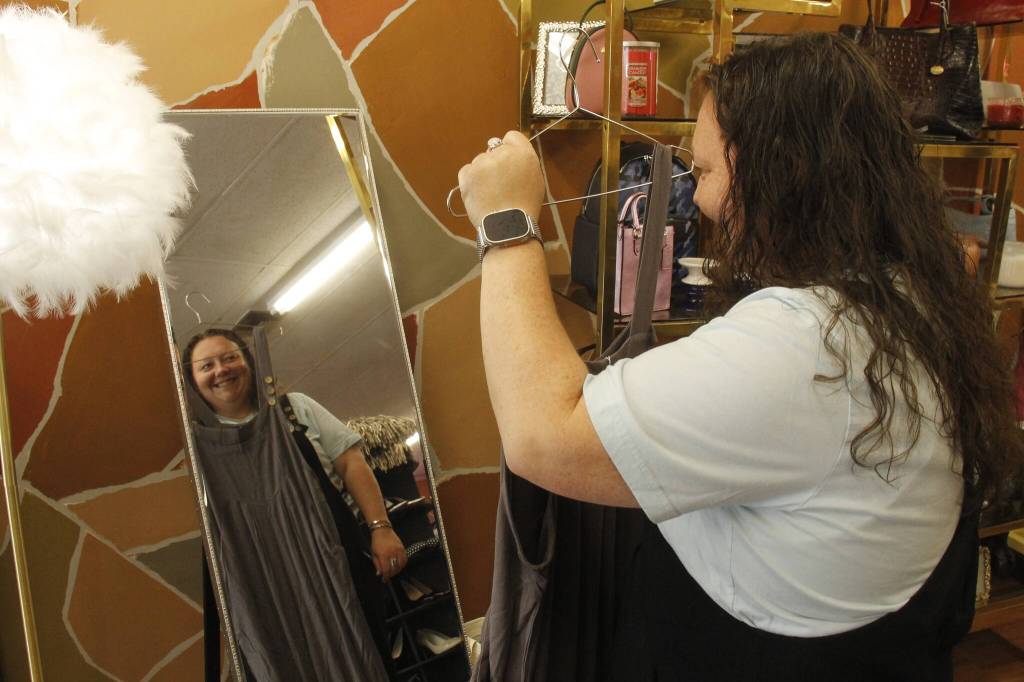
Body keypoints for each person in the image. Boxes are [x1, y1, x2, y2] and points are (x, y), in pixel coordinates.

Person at [457, 32, 1022, 678]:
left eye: (705, 173)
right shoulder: (909, 293)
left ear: (783, 176)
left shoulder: (808, 346)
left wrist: (506, 223)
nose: (699, 200)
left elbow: (542, 437)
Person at [183, 328, 408, 579]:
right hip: (272, 575)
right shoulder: (200, 449)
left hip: (344, 551)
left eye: (230, 358)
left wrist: (381, 528)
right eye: (206, 366)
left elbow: (350, 464)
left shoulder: (295, 407)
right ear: (193, 383)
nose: (221, 370)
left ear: (249, 362)